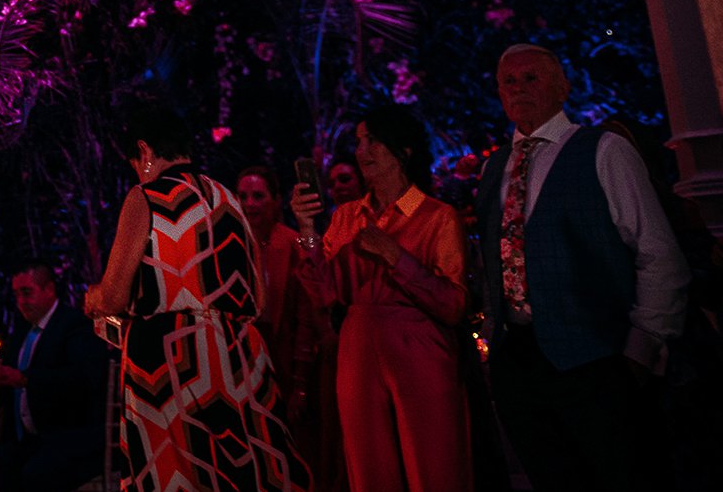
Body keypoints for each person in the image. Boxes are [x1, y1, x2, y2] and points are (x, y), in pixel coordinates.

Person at [474, 44, 687, 492]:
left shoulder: (604, 151)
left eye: (531, 78)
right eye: (509, 82)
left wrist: (642, 346)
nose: (519, 89)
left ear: (562, 87)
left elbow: (657, 252)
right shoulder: (496, 166)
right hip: (519, 362)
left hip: (597, 359)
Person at [83, 106, 305, 492]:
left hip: (169, 362)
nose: (136, 171)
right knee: (234, 474)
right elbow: (260, 298)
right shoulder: (229, 198)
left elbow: (115, 295)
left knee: (176, 474)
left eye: (134, 162)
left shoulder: (146, 197)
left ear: (145, 150)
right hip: (237, 357)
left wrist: (94, 299)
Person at [290, 106, 470, 492]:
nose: (361, 150)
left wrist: (394, 255)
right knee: (368, 468)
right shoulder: (348, 216)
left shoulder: (437, 217)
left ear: (402, 150)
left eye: (372, 140)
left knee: (433, 465)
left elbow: (453, 304)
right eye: (358, 141)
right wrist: (306, 229)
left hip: (420, 347)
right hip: (358, 345)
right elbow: (323, 290)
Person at [0, 263, 107, 492]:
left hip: (71, 437)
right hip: (33, 440)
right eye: (17, 294)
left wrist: (26, 379)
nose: (21, 302)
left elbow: (83, 379)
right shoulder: (22, 331)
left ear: (49, 290)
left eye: (27, 292)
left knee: (36, 472)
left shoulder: (74, 325)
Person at [237, 167, 323, 431]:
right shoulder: (230, 244)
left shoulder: (293, 244)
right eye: (243, 196)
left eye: (258, 196)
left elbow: (305, 317)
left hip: (283, 356)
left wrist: (300, 384)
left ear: (276, 201)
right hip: (242, 359)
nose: (249, 204)